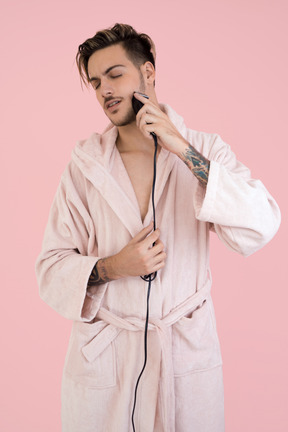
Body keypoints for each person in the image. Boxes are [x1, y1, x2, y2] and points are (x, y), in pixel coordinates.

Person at [35, 23, 281, 432]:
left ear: (148, 73)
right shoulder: (84, 167)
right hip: (107, 361)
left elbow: (262, 223)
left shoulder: (204, 149)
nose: (105, 91)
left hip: (185, 357)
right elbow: (50, 269)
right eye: (96, 83)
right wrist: (115, 266)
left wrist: (182, 149)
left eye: (115, 75)